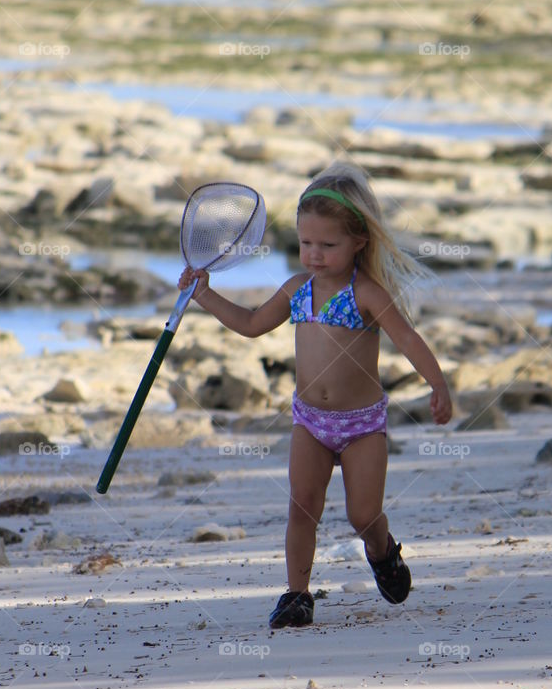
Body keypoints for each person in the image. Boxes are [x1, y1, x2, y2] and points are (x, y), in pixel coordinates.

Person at [178, 160, 453, 629]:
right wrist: (204, 295)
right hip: (310, 421)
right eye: (306, 243)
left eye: (328, 245)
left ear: (358, 242)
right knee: (302, 506)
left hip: (362, 424)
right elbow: (250, 324)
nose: (315, 255)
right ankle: (297, 595)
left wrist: (438, 384)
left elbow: (407, 339)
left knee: (363, 515)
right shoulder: (297, 289)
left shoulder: (366, 292)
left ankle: (382, 550)